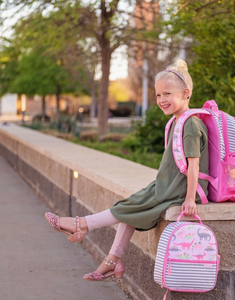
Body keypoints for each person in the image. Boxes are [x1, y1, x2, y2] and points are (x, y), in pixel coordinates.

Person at [45, 58, 209, 282]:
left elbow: (194, 165)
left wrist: (190, 199)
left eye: (167, 94)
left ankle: (81, 224)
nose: (162, 100)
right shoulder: (177, 121)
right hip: (167, 186)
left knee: (129, 208)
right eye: (158, 95)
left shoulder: (190, 124)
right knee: (129, 207)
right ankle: (112, 260)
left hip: (178, 192)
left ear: (185, 92)